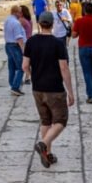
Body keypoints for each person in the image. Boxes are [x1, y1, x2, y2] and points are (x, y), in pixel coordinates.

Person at [24, 11, 76, 168]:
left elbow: (25, 66)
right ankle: (43, 144)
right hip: (54, 88)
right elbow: (64, 68)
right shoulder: (57, 43)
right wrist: (71, 92)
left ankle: (47, 153)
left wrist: (33, 76)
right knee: (60, 120)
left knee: (45, 120)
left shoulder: (31, 42)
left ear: (39, 23)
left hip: (37, 88)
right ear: (53, 24)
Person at [3, 6, 27, 96]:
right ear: (16, 12)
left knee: (12, 66)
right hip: (15, 46)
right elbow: (19, 38)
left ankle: (12, 83)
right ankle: (15, 87)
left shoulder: (8, 20)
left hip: (8, 45)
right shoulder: (16, 23)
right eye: (20, 12)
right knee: (21, 67)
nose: (21, 14)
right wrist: (24, 51)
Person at [19, 6, 34, 84]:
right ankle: (27, 77)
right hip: (30, 41)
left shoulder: (21, 20)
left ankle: (21, 78)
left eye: (19, 11)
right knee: (28, 61)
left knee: (22, 61)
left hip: (24, 42)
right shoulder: (29, 20)